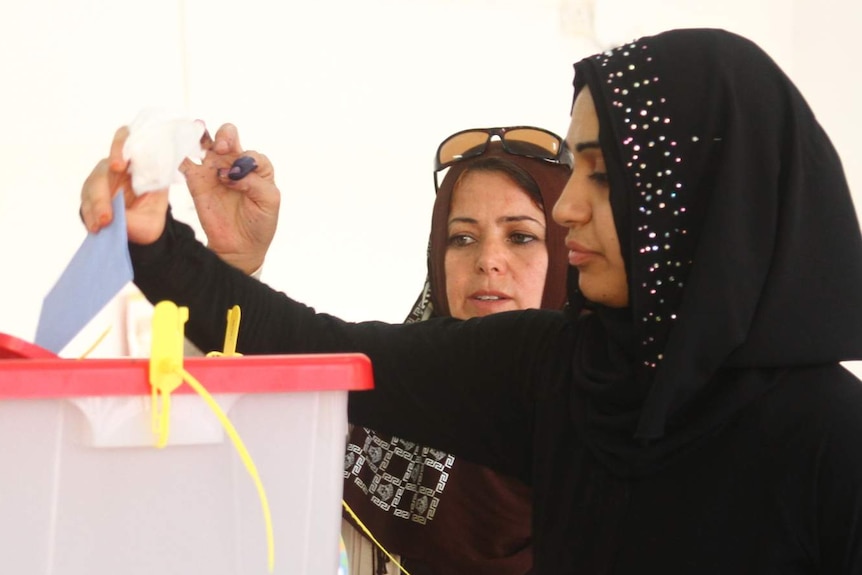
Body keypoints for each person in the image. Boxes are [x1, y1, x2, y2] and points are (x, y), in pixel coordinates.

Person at [80, 28, 862, 573]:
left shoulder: (831, 438)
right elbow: (315, 350)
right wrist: (155, 241)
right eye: (461, 237)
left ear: (694, 199)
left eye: (603, 175)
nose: (566, 213)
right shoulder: (556, 372)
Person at [339, 130, 571, 575]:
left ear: (567, 253)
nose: (488, 261)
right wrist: (238, 264)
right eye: (462, 238)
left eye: (520, 236)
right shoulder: (367, 419)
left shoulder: (623, 424)